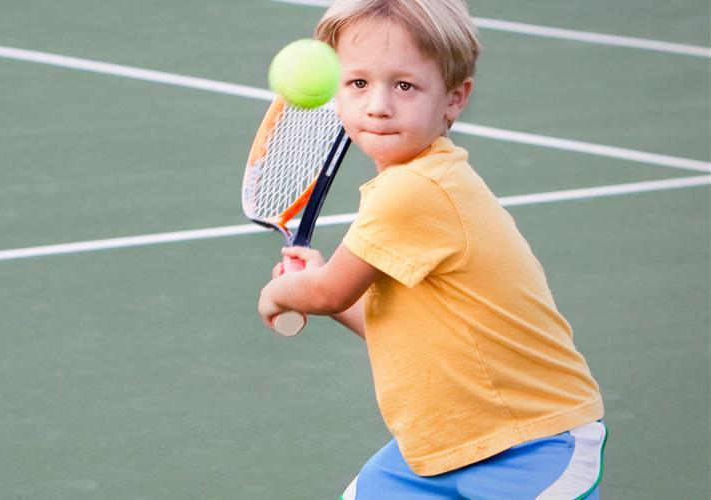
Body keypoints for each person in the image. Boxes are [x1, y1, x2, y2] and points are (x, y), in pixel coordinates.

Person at [256, 0, 607, 497]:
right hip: (439, 446)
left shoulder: (414, 190)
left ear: (454, 98)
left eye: (404, 86)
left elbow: (329, 292)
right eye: (358, 83)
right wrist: (315, 282)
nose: (378, 105)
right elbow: (395, 326)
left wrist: (281, 294)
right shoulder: (416, 182)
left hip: (530, 441)